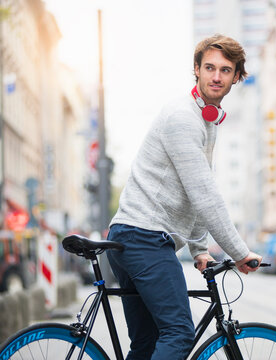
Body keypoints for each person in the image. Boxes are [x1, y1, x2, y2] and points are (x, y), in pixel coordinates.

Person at [106, 34, 263, 360]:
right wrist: (239, 252)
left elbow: (191, 192)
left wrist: (200, 248)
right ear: (196, 69)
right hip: (143, 238)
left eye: (225, 69)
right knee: (178, 333)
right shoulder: (183, 118)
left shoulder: (204, 121)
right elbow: (205, 195)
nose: (216, 76)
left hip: (130, 237)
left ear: (236, 76)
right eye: (209, 67)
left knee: (146, 345)